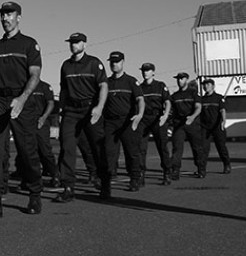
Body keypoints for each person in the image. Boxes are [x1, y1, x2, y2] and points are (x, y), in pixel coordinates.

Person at [0, 1, 43, 218]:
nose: (5, 18)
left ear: (19, 17)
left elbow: (34, 75)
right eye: (2, 15)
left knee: (27, 150)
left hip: (22, 100)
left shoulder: (29, 44)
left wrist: (22, 99)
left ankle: (35, 193)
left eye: (9, 14)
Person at [54, 33, 109, 202]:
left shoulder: (94, 63)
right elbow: (63, 90)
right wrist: (61, 113)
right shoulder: (66, 66)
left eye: (77, 43)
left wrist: (99, 108)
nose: (73, 45)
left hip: (90, 110)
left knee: (97, 148)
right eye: (71, 43)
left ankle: (105, 184)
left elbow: (103, 86)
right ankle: (68, 187)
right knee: (67, 147)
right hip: (71, 111)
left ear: (84, 44)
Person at [102, 51, 145, 192]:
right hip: (110, 123)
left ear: (123, 62)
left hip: (128, 121)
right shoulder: (106, 82)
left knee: (131, 152)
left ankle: (135, 178)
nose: (114, 64)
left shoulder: (131, 81)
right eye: (112, 62)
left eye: (117, 62)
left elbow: (140, 100)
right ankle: (106, 183)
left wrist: (139, 115)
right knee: (108, 153)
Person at [138, 63, 173, 185]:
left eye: (147, 70)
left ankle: (167, 172)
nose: (145, 73)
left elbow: (167, 102)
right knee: (140, 149)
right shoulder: (139, 87)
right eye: (143, 70)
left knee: (162, 147)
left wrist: (165, 115)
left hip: (157, 118)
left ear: (153, 72)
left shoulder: (160, 86)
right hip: (143, 119)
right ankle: (141, 174)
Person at [169, 72, 202, 180]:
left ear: (186, 79)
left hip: (192, 124)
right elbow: (171, 111)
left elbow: (198, 107)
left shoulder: (193, 93)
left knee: (196, 148)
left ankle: (201, 168)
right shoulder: (174, 96)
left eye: (182, 79)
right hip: (179, 125)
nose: (179, 81)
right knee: (177, 148)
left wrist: (192, 117)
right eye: (178, 79)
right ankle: (175, 170)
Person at [199, 79, 231, 175]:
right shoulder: (201, 100)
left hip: (217, 126)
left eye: (208, 84)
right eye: (204, 85)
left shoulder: (218, 98)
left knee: (221, 147)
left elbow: (222, 110)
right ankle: (202, 169)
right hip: (205, 127)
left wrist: (223, 120)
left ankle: (227, 164)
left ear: (213, 86)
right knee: (204, 149)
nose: (206, 87)